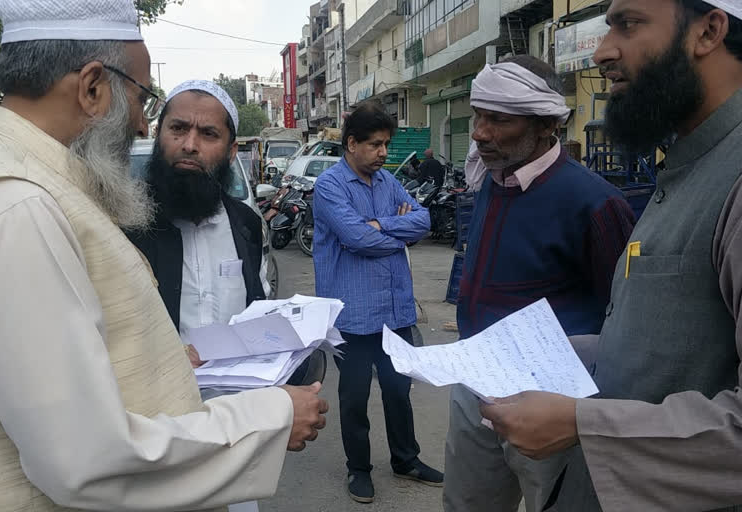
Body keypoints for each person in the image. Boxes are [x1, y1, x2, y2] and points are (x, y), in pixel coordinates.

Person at [0, 1, 328, 511]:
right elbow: (83, 461)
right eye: (142, 100)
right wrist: (270, 419)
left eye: (208, 134)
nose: (142, 127)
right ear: (93, 86)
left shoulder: (45, 191)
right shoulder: (20, 207)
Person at [479, 2, 742, 511]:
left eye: (629, 23)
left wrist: (583, 423)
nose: (602, 51)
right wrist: (571, 354)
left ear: (709, 31)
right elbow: (682, 342)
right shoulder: (686, 166)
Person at [443, 55, 635, 512]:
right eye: (478, 116)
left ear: (546, 123)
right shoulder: (492, 180)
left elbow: (624, 319)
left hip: (550, 400)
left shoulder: (595, 204)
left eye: (498, 119)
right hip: (474, 384)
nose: (479, 133)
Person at [126, 80, 325, 394]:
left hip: (241, 411)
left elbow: (256, 307)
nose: (190, 144)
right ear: (158, 136)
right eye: (177, 128)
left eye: (208, 134)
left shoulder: (245, 223)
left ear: (232, 152)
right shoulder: (126, 225)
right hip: (160, 414)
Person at [313, 102, 443, 504]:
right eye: (375, 144)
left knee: (397, 390)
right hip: (351, 313)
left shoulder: (388, 182)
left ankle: (406, 459)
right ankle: (359, 469)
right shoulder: (330, 186)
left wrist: (383, 225)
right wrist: (396, 234)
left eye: (386, 144)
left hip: (394, 309)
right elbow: (356, 239)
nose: (384, 152)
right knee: (353, 397)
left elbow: (424, 220)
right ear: (351, 144)